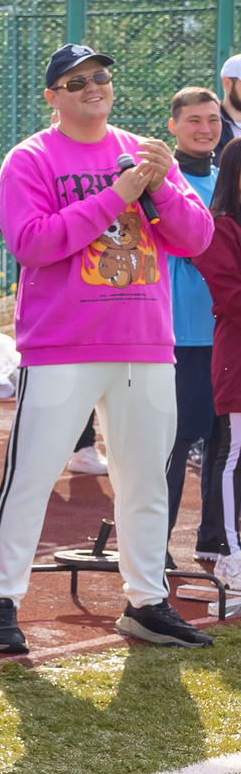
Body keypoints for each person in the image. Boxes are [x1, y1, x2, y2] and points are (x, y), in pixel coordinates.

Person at [0, 45, 215, 654]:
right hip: (63, 345)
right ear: (52, 96)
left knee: (145, 482)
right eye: (75, 81)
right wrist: (116, 195)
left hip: (145, 343)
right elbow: (31, 244)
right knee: (30, 476)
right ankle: (1, 603)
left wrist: (158, 188)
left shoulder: (144, 152)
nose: (92, 87)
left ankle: (146, 601)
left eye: (100, 77)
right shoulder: (29, 157)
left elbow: (196, 238)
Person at [160, 88, 221, 556]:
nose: (206, 129)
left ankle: (216, 542)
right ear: (173, 126)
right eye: (195, 120)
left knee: (223, 442)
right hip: (178, 335)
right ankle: (152, 547)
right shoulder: (163, 180)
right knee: (173, 445)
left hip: (225, 331)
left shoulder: (226, 178)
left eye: (213, 120)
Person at [184, 157, 241, 579]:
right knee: (232, 453)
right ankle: (229, 555)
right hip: (235, 357)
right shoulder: (220, 226)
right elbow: (230, 295)